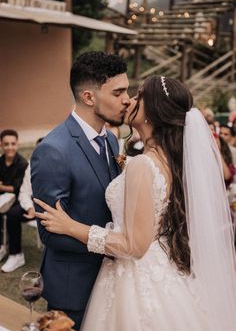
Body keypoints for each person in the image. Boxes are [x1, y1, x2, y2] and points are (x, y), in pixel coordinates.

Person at [35, 75, 236, 331]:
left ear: (152, 111)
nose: (129, 101)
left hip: (135, 279)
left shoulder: (144, 164)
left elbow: (134, 245)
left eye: (138, 96)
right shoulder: (167, 160)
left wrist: (71, 226)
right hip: (160, 271)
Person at [31, 51, 130, 329]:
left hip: (111, 281)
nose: (127, 99)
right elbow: (49, 233)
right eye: (118, 92)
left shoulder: (111, 140)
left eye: (127, 91)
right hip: (73, 287)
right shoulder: (53, 150)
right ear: (89, 97)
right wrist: (116, 244)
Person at [1, 138, 43, 272]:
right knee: (12, 214)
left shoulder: (60, 166)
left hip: (53, 205)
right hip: (33, 202)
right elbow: (24, 192)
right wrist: (30, 208)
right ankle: (16, 255)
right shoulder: (31, 166)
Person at [0, 129, 28, 262]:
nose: (10, 147)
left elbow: (17, 188)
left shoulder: (22, 164)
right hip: (3, 199)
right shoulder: (0, 161)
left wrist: (2, 187)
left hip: (21, 200)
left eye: (13, 143)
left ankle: (16, 254)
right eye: (6, 144)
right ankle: (2, 246)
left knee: (12, 214)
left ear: (17, 144)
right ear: (1, 145)